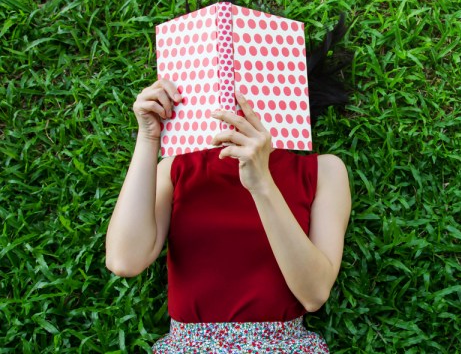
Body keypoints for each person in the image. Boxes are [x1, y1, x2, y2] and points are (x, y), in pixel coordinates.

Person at [105, 21, 352, 352]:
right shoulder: (177, 167)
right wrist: (149, 136)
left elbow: (315, 293)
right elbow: (124, 260)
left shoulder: (323, 171)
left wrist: (263, 184)